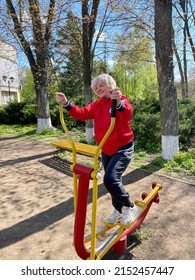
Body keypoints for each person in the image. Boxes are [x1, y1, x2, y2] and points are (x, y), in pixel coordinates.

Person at [55, 73, 142, 226]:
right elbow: (81, 113)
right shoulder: (97, 105)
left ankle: (130, 206)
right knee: (112, 181)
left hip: (122, 148)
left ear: (111, 86)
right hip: (106, 149)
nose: (98, 88)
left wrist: (119, 103)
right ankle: (118, 209)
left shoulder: (120, 100)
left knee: (110, 179)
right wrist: (67, 103)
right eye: (96, 87)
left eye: (101, 85)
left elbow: (128, 113)